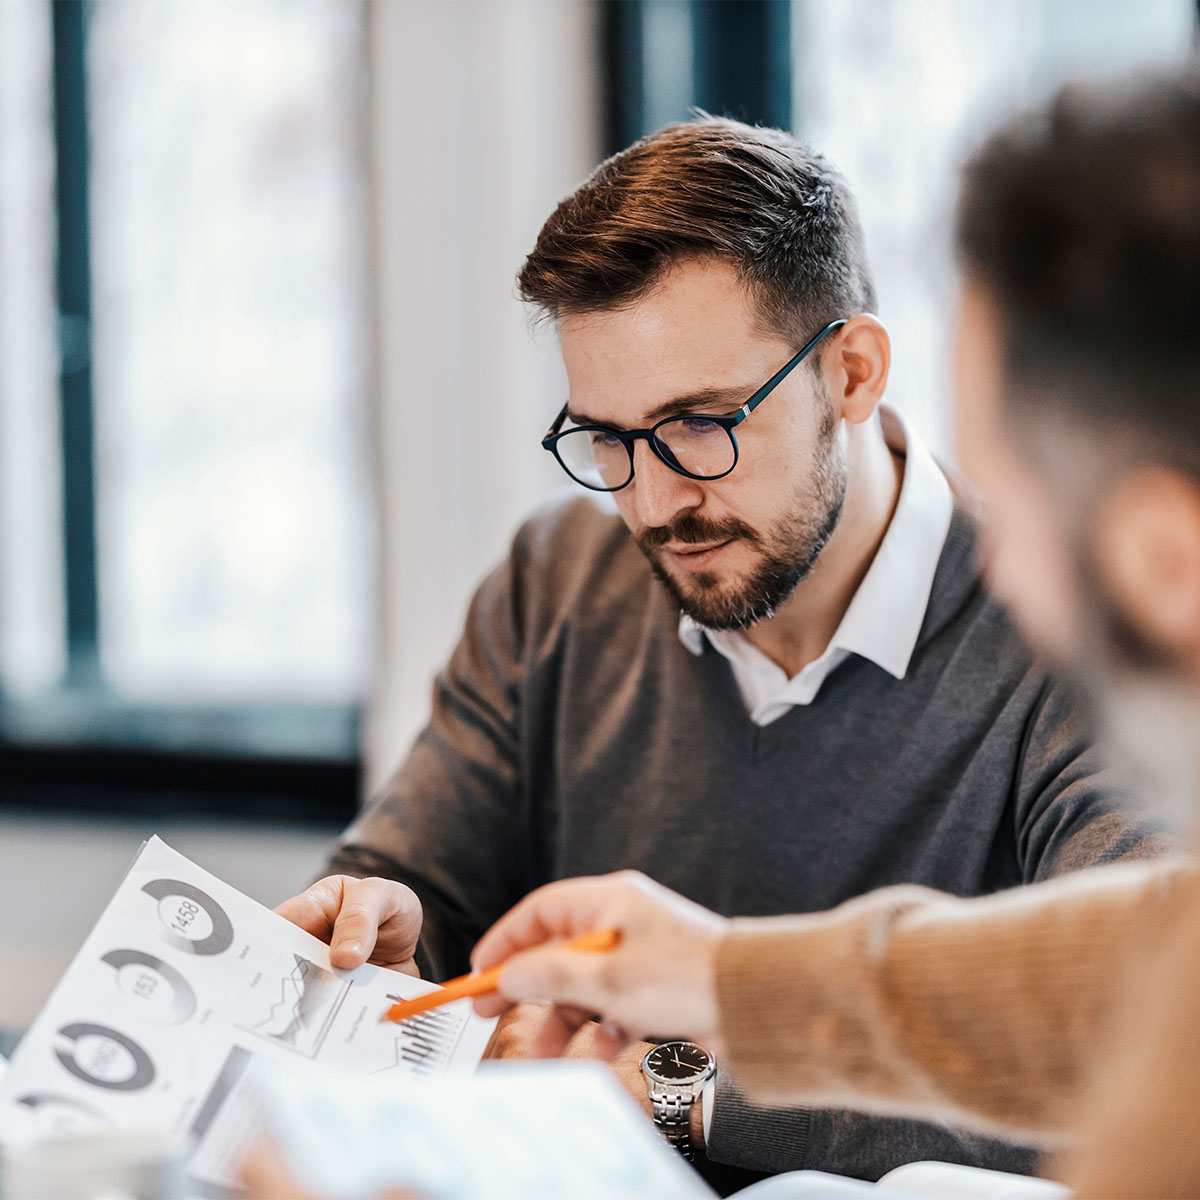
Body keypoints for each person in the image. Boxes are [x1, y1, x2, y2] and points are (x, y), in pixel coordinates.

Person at [276, 117, 1168, 1185]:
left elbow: (1135, 1046)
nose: (653, 504)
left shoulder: (1069, 621)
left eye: (702, 424)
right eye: (606, 438)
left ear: (852, 372)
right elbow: (413, 890)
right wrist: (386, 932)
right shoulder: (558, 579)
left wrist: (680, 1092)